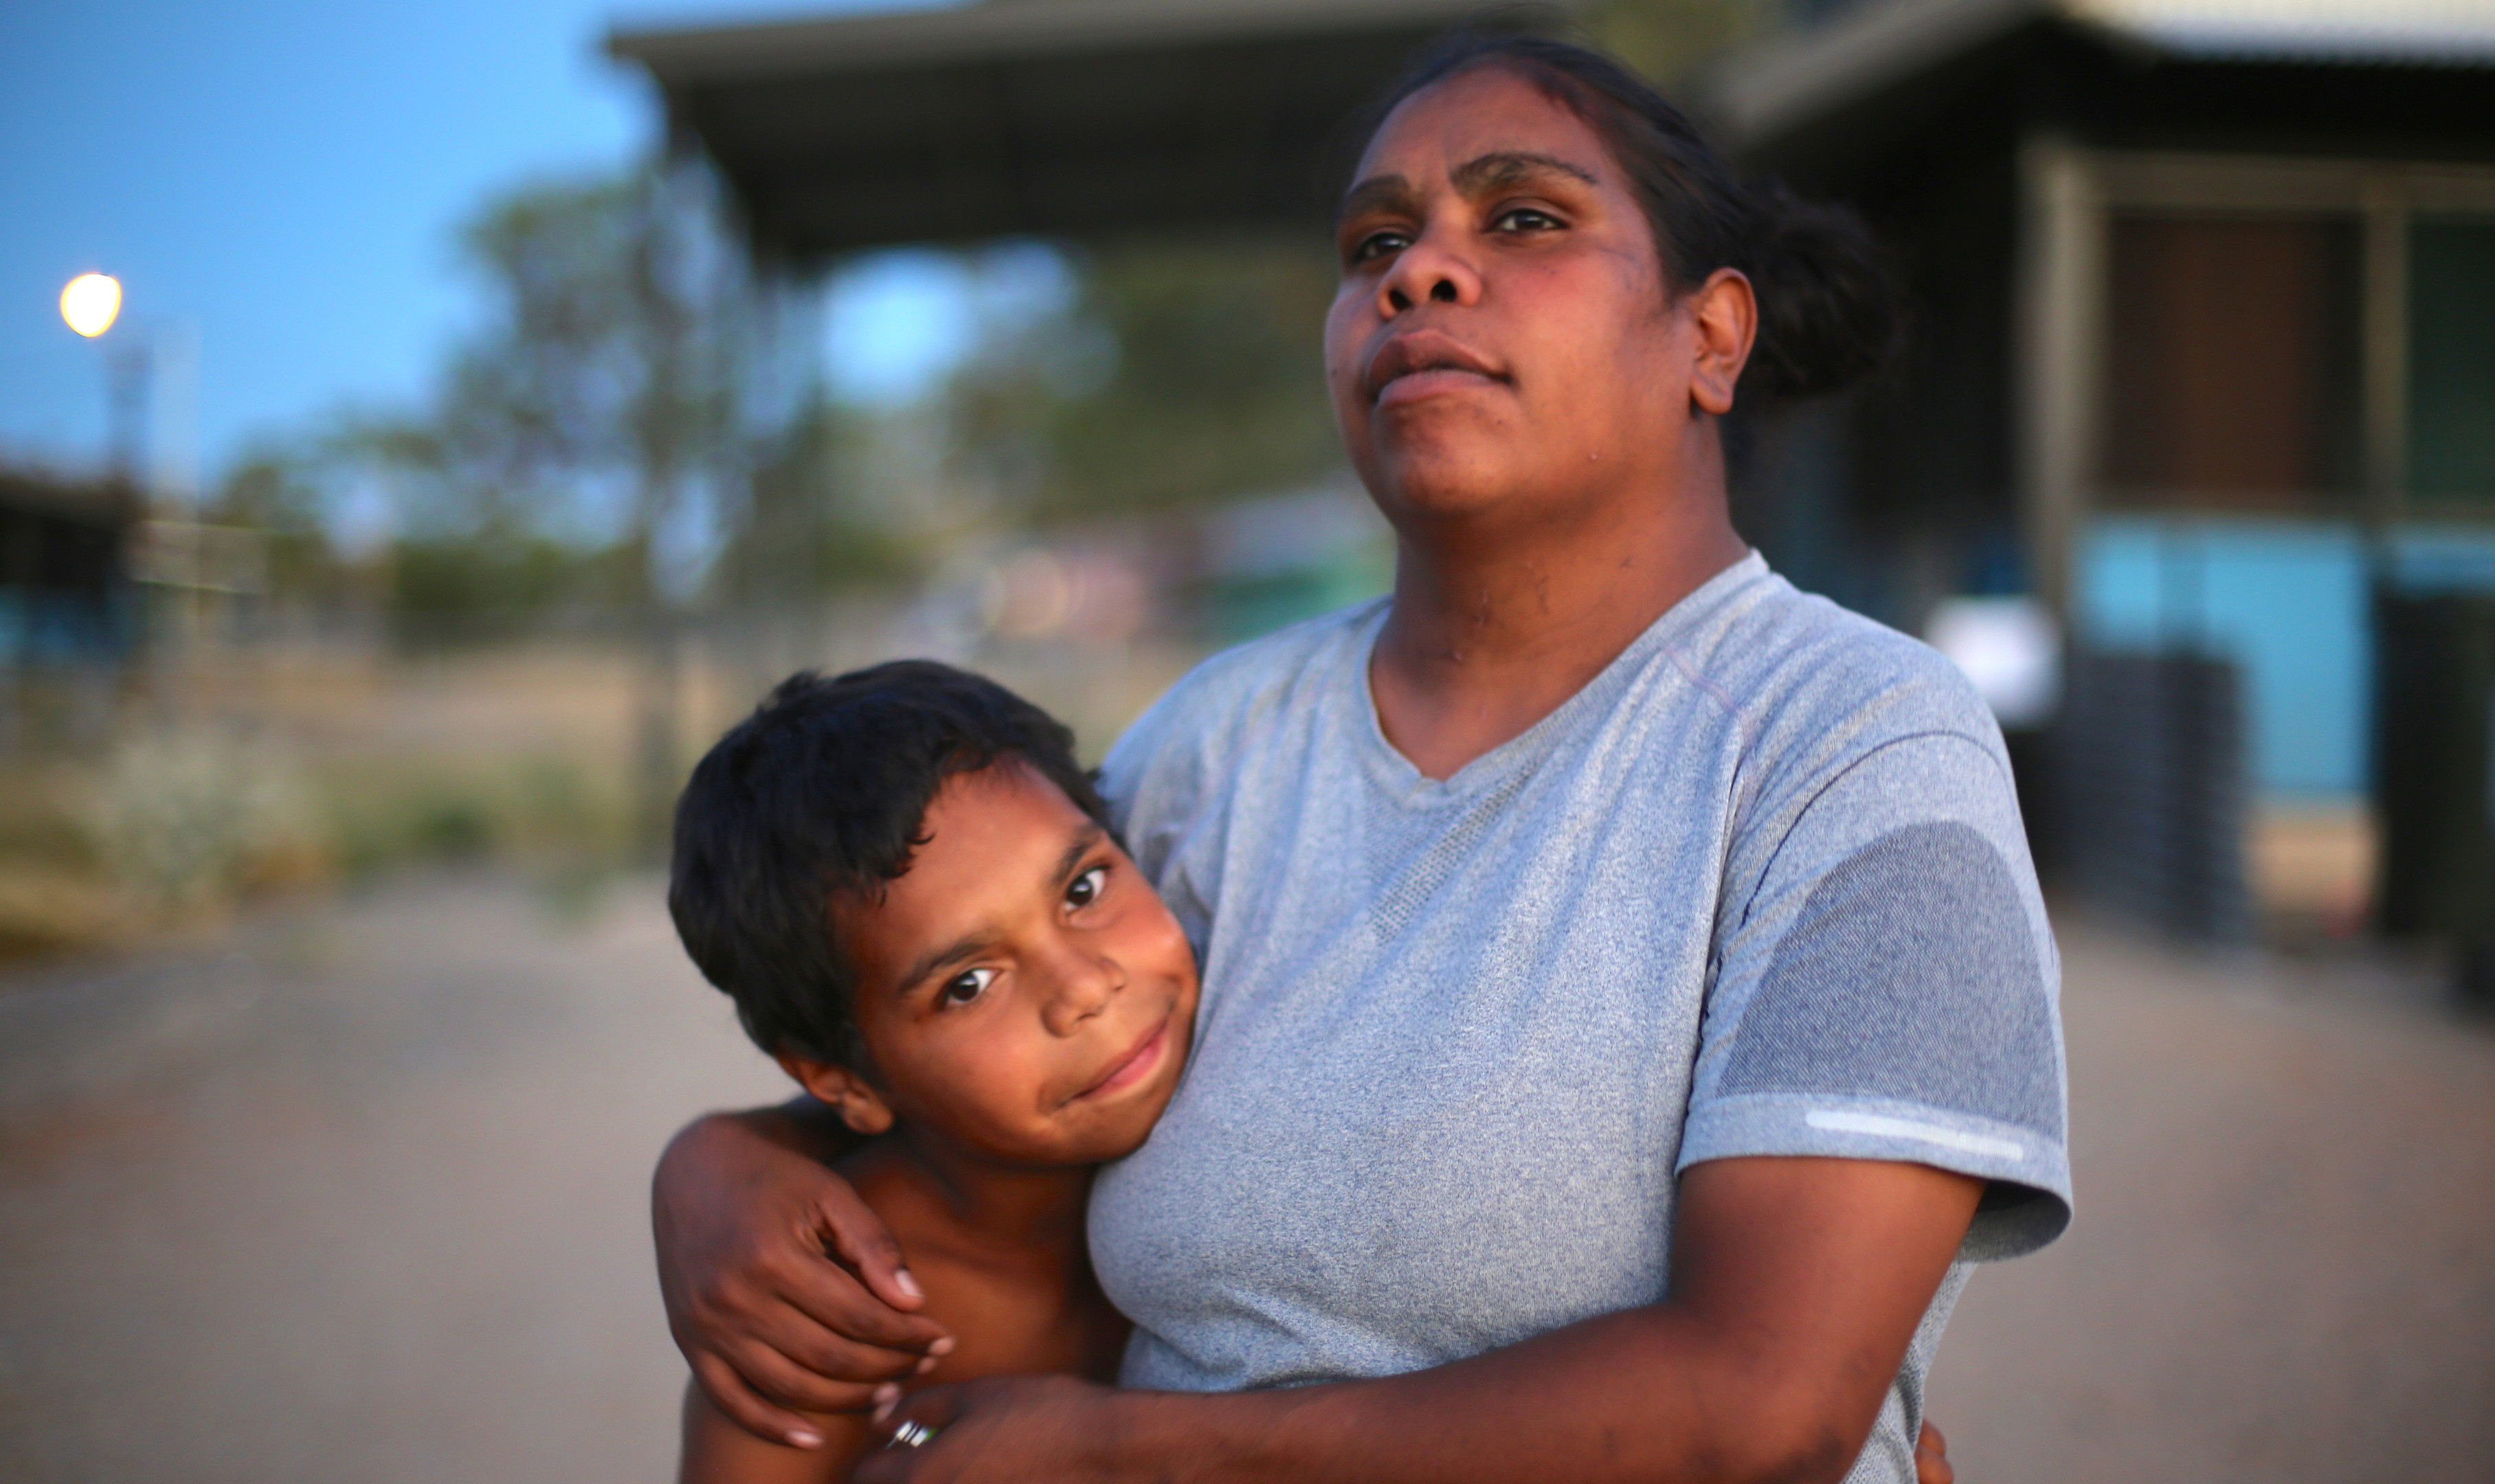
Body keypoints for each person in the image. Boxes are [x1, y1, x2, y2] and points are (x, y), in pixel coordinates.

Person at [653, 30, 2070, 1484]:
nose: (1416, 272)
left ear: (1710, 337)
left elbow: (1760, 1408)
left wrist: (1124, 1453)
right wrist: (725, 1164)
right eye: (1374, 242)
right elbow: (976, 1022)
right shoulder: (1220, 745)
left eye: (1522, 218)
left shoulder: (1849, 745)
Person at [665, 661, 1202, 1483]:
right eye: (968, 985)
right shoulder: (832, 1315)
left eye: (1083, 888)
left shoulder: (1247, 1038)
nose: (1086, 990)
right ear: (845, 1084)